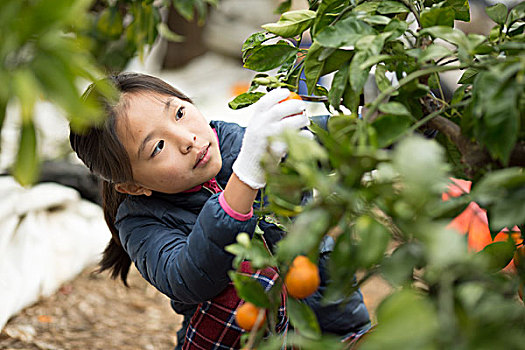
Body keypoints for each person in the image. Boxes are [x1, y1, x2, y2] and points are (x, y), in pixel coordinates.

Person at [69, 73, 370, 349]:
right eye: (158, 147)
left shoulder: (232, 141)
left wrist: (374, 120)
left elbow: (324, 141)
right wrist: (247, 177)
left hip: (334, 330)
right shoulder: (141, 222)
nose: (188, 140)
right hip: (244, 339)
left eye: (179, 113)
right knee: (246, 277)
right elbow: (191, 276)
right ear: (133, 186)